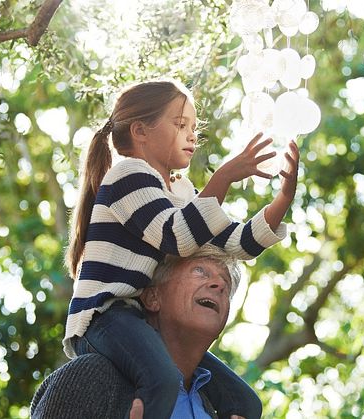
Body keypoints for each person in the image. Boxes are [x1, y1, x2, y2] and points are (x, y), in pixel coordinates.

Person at [63, 79, 299, 419]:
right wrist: (223, 178)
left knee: (245, 403)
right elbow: (175, 236)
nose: (192, 135)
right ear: (141, 131)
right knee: (161, 379)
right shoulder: (127, 176)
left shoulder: (179, 192)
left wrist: (283, 199)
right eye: (180, 124)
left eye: (193, 127)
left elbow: (237, 243)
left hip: (139, 320)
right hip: (105, 316)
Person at [31, 246, 249, 418]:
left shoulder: (216, 408)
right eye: (200, 271)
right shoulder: (90, 377)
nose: (219, 285)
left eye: (226, 285)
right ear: (152, 297)